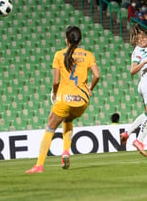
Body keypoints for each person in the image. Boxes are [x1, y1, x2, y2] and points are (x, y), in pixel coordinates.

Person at [26, 26, 100, 173]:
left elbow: (55, 82)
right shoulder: (88, 55)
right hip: (82, 100)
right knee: (68, 120)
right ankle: (66, 151)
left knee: (50, 128)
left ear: (67, 39)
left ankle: (39, 165)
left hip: (64, 99)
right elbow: (97, 75)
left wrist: (54, 93)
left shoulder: (59, 55)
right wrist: (90, 89)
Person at [120, 14, 147, 157]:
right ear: (135, 41)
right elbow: (132, 71)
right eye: (139, 38)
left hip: (146, 83)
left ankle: (127, 132)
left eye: (144, 37)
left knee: (146, 113)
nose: (143, 39)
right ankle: (139, 140)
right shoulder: (137, 52)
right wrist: (144, 63)